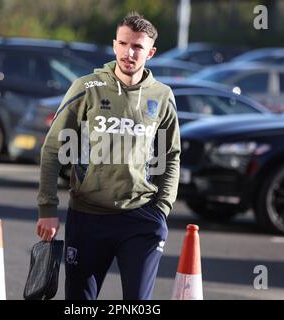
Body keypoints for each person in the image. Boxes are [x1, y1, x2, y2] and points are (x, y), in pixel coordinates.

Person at [36, 11, 180, 300]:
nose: (129, 52)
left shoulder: (162, 96)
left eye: (138, 47)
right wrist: (47, 209)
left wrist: (161, 209)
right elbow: (53, 149)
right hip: (89, 215)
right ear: (115, 45)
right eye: (124, 44)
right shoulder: (86, 88)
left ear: (150, 52)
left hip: (141, 217)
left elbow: (170, 155)